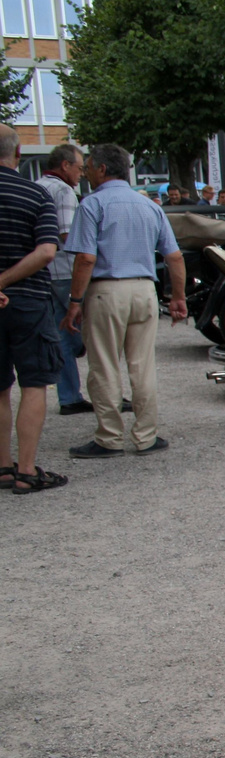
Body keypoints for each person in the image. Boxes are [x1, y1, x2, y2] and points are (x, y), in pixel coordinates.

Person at [60, 143, 185, 459]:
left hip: (106, 290)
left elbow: (86, 259)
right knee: (143, 366)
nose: (86, 172)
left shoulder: (92, 204)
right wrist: (178, 297)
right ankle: (146, 435)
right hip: (144, 289)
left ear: (102, 169)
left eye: (89, 166)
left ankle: (109, 437)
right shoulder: (149, 206)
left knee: (103, 365)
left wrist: (75, 301)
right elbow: (173, 256)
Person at [0, 124, 66, 493]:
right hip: (28, 298)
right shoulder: (36, 195)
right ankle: (26, 469)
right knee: (34, 382)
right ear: (18, 154)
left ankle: (2, 467)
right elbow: (45, 252)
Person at [37, 145, 89, 416]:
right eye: (79, 168)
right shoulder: (64, 191)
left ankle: (68, 394)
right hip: (67, 271)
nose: (81, 174)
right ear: (65, 165)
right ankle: (78, 395)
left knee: (59, 334)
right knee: (78, 331)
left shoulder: (36, 186)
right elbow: (69, 235)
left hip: (43, 271)